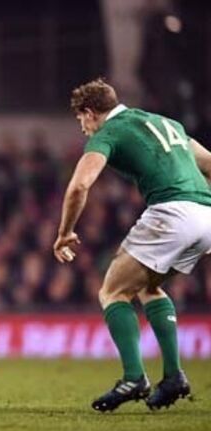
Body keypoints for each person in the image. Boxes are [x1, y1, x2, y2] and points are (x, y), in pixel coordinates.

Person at [54, 78, 211, 412]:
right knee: (148, 288)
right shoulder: (166, 123)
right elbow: (209, 164)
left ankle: (134, 378)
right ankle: (173, 376)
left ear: (90, 112)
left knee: (112, 292)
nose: (82, 127)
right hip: (205, 215)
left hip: (171, 213)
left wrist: (65, 231)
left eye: (81, 119)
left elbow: (80, 185)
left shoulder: (109, 131)